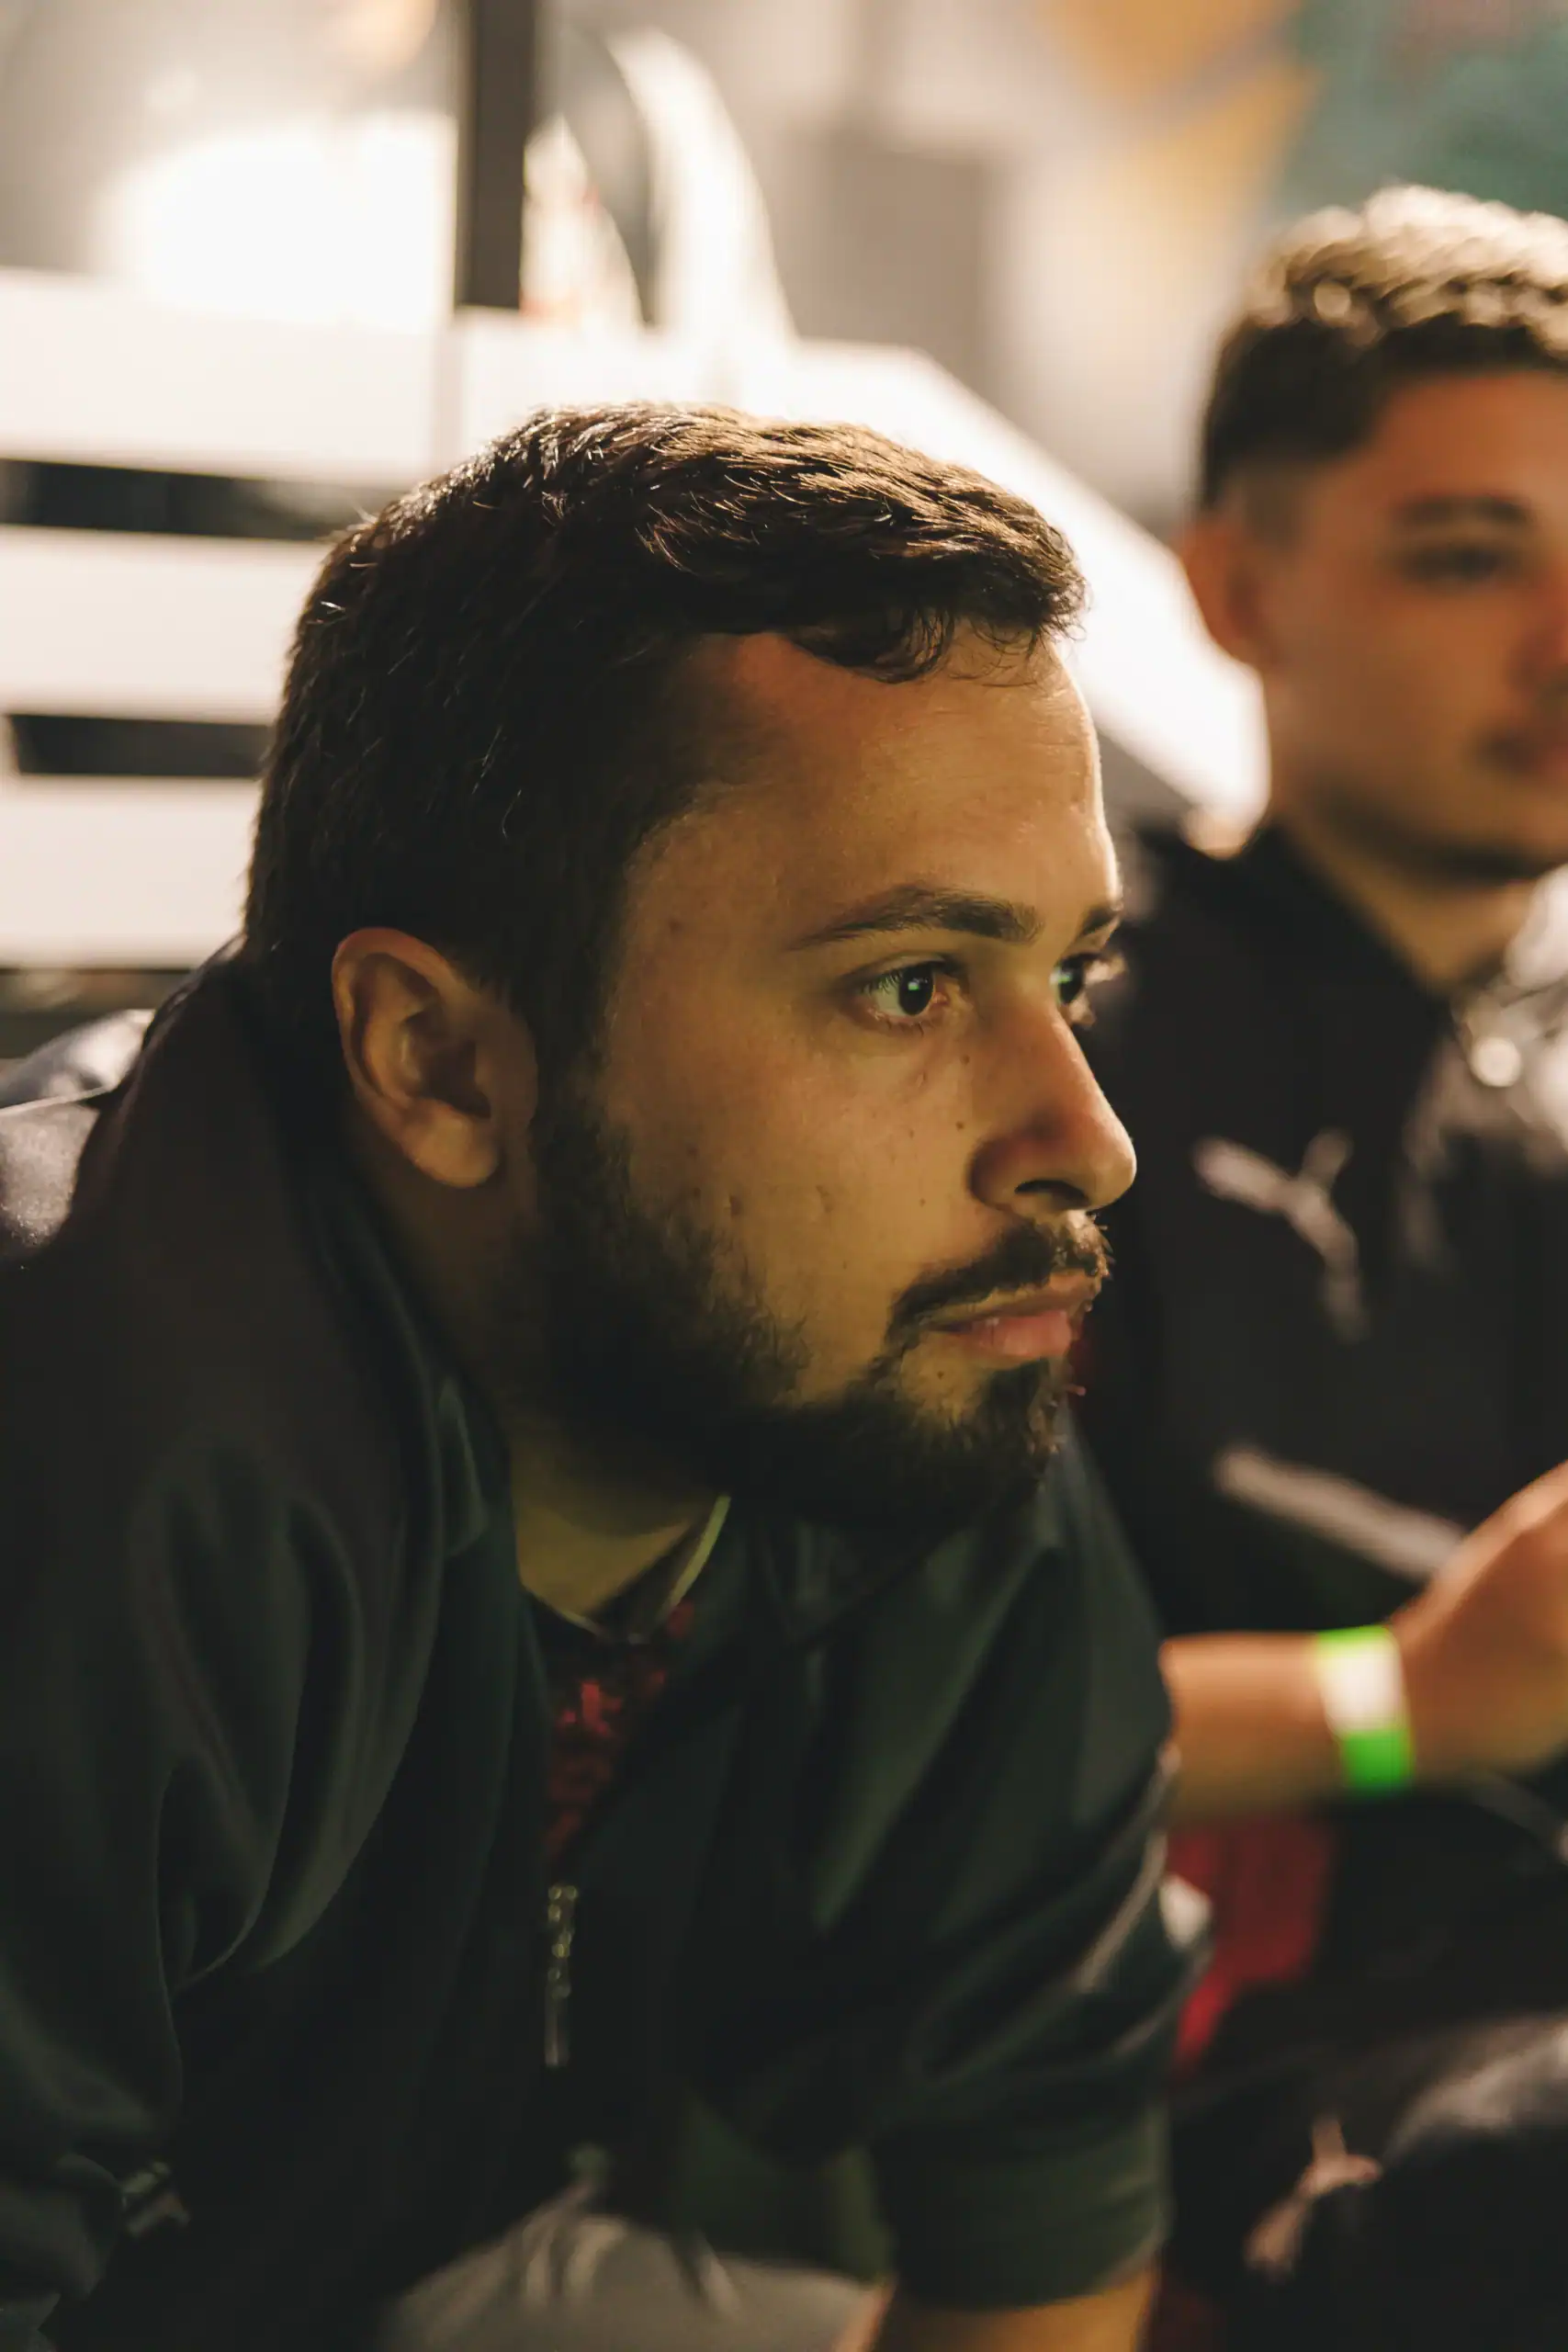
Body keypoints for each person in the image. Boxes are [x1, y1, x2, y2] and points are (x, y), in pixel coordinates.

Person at [0, 405, 1197, 2352]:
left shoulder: (899, 1385)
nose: (1086, 1140)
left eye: (1068, 978)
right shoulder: (89, 1461)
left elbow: (1033, 2224)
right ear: (437, 1060)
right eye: (907, 984)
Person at [1076, 187, 1568, 2344]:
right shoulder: (1059, 1072)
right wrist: (1411, 1698)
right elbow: (870, 1733)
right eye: (1469, 555)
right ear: (1235, 585)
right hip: (1265, 2061)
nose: (1564, 633)